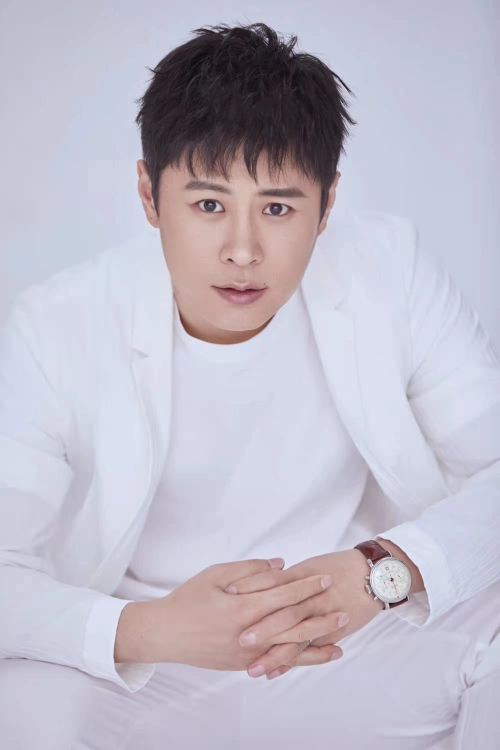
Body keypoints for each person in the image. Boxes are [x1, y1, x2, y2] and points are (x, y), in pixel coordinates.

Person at [1, 21, 499, 750]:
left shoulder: (390, 267)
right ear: (148, 194)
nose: (242, 250)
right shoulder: (55, 323)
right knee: (18, 700)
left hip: (354, 641)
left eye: (277, 207)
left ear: (327, 204)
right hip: (152, 669)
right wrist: (153, 628)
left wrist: (383, 569)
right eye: (209, 205)